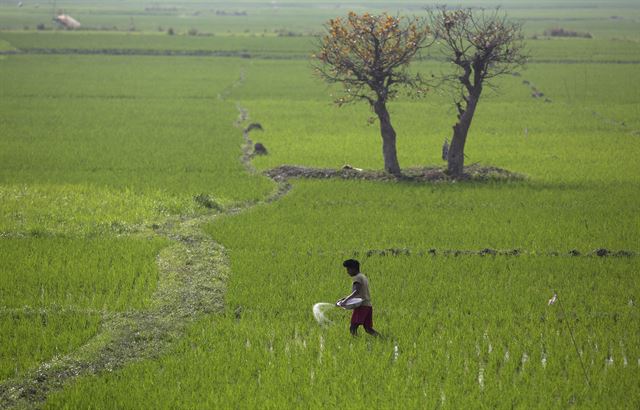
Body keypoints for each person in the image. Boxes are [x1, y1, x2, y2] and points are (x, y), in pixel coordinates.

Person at [336, 259, 380, 337]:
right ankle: (383, 339)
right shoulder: (362, 276)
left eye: (348, 269)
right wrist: (343, 299)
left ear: (354, 269)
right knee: (368, 328)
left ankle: (355, 343)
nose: (347, 272)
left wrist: (345, 301)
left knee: (353, 328)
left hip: (361, 306)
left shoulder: (357, 278)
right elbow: (359, 293)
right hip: (368, 305)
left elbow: (356, 291)